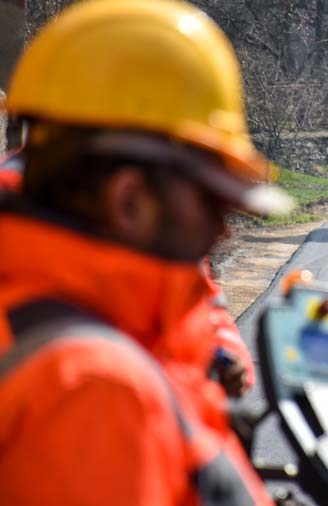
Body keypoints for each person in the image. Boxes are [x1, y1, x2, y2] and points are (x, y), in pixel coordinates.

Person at [0, 1, 294, 504]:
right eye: (210, 200)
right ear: (129, 199)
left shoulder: (56, 309)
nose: (223, 230)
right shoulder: (95, 388)